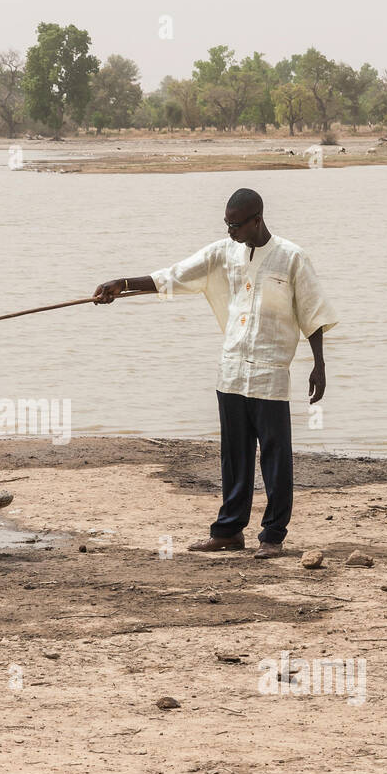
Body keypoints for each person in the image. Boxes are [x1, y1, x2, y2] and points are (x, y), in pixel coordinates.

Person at [93, 188, 338, 558]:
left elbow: (313, 312)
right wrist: (122, 285)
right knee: (234, 455)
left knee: (275, 455)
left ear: (257, 220)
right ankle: (228, 531)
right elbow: (174, 276)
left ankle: (272, 536)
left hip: (270, 373)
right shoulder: (224, 254)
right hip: (232, 371)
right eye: (226, 224)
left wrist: (319, 364)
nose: (230, 231)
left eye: (236, 224)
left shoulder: (291, 258)